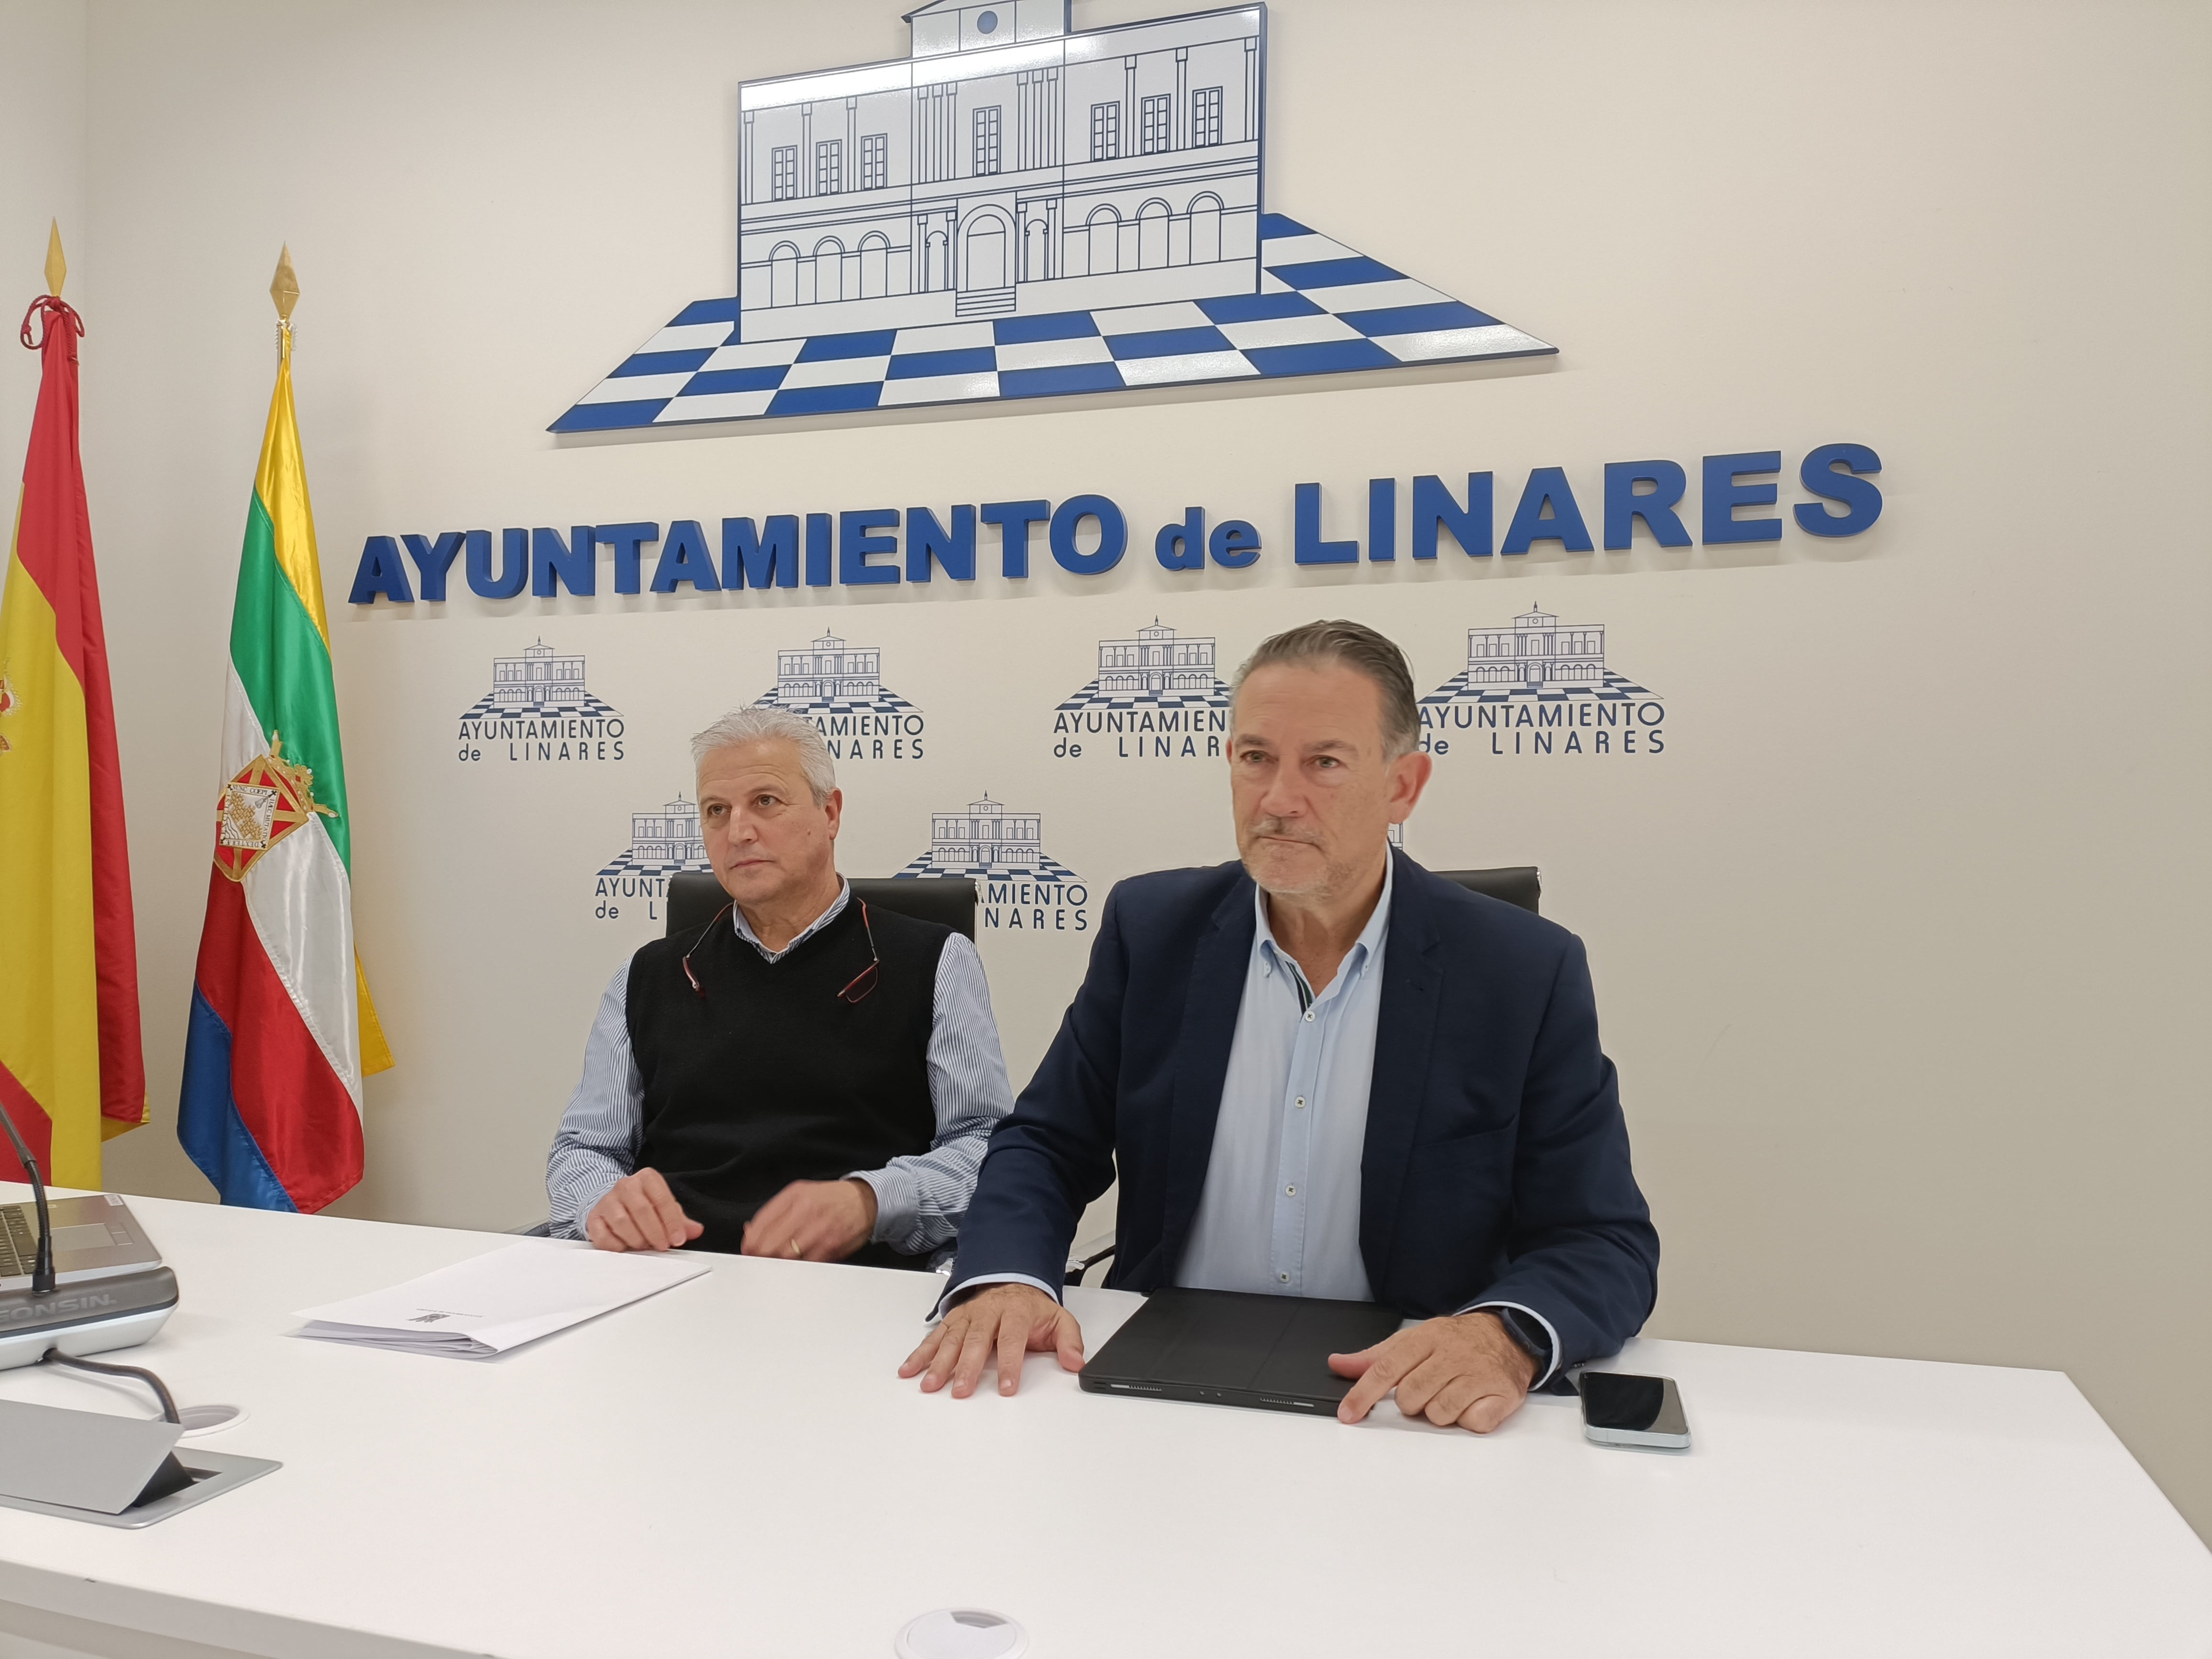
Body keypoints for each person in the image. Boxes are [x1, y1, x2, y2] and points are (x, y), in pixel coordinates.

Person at [903, 619, 1658, 1428]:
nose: (1277, 800)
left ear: (1403, 785)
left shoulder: (1518, 969)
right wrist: (1010, 1274)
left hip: (1396, 1403)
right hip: (1159, 1384)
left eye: (1323, 763)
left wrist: (1502, 1335)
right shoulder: (1152, 930)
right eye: (1254, 757)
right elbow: (1046, 1143)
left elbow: (1600, 1239)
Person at [547, 705, 1014, 1269]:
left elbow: (986, 1144)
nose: (739, 831)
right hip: (670, 1274)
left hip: (855, 1280)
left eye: (765, 802)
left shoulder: (934, 961)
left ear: (830, 811)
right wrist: (605, 1202)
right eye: (716, 811)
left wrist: (872, 1199)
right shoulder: (647, 974)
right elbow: (583, 1150)